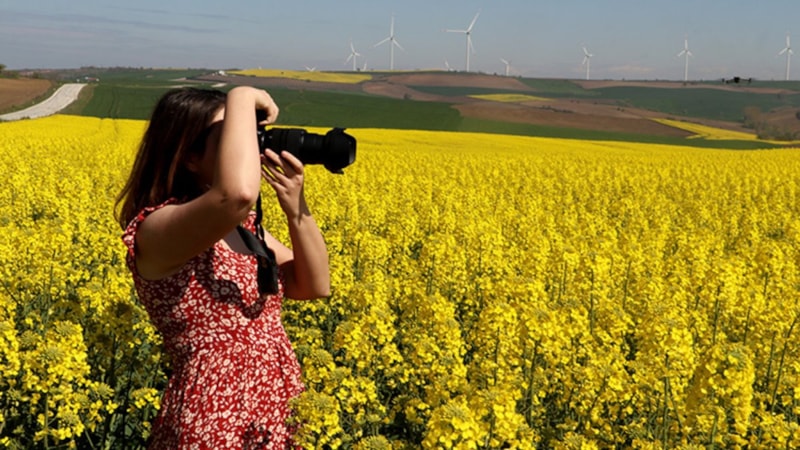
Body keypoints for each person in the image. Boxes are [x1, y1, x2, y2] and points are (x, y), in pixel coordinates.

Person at [115, 86, 330, 449]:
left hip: (276, 406)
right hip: (213, 416)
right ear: (189, 157)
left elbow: (313, 285)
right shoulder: (155, 228)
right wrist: (243, 95)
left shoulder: (241, 228)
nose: (247, 142)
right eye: (233, 131)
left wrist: (296, 209)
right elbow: (238, 194)